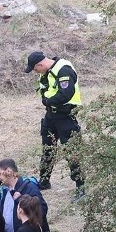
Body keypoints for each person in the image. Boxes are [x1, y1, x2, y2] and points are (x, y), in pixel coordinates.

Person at [24, 51, 86, 202]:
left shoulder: (63, 69)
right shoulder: (45, 72)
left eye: (35, 69)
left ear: (40, 64)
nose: (35, 72)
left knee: (71, 151)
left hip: (66, 116)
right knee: (48, 149)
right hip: (51, 116)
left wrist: (48, 101)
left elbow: (66, 93)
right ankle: (44, 181)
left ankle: (80, 186)